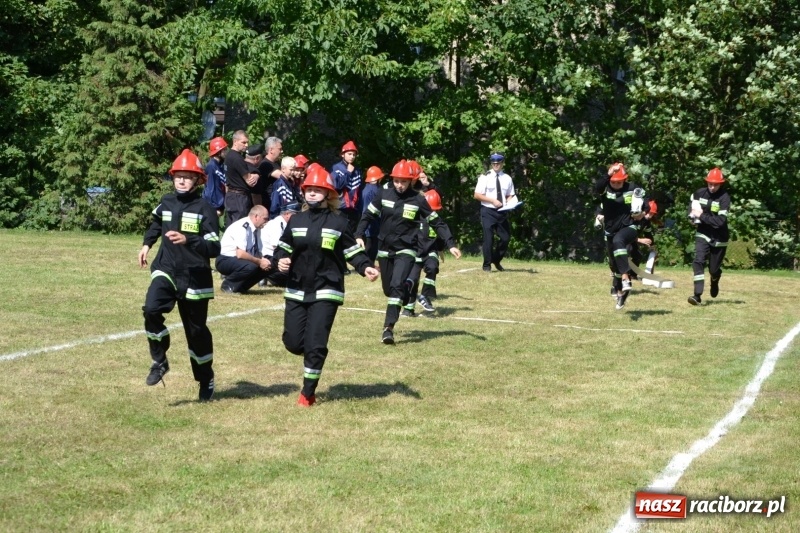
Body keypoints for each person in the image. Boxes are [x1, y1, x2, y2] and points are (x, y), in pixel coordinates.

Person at [273, 166, 379, 406]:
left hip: (327, 289)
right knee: (293, 342)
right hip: (297, 289)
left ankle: (308, 392)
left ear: (328, 193)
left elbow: (352, 251)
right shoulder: (296, 220)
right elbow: (283, 247)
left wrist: (365, 267)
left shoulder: (339, 222)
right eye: (308, 190)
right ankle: (313, 352)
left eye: (317, 190)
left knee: (315, 343)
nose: (311, 194)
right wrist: (280, 259)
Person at [137, 149, 221, 401]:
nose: (182, 181)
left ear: (198, 180)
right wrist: (146, 244)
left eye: (188, 176)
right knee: (151, 309)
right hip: (166, 269)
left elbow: (214, 247)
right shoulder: (166, 202)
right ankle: (159, 360)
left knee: (196, 334)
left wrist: (190, 240)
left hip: (195, 276)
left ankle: (205, 378)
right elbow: (155, 223)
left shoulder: (206, 208)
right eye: (178, 176)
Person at [356, 159, 461, 345]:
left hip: (406, 249)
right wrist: (358, 235)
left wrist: (450, 243)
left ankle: (388, 328)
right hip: (384, 249)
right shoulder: (383, 194)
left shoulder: (419, 199)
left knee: (396, 285)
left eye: (403, 181)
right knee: (389, 290)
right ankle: (407, 290)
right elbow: (368, 215)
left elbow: (437, 222)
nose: (399, 185)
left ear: (411, 181)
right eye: (396, 181)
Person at [595, 162, 650, 310]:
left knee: (620, 241)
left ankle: (626, 279)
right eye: (614, 182)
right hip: (610, 231)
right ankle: (621, 293)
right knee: (614, 264)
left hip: (629, 228)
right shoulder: (605, 189)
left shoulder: (633, 189)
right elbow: (597, 186)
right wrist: (608, 173)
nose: (617, 184)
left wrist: (641, 214)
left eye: (620, 182)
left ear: (625, 180)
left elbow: (646, 206)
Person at [688, 167, 730, 305]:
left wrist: (701, 216)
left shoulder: (724, 198)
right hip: (703, 233)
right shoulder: (699, 193)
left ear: (721, 184)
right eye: (710, 184)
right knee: (698, 261)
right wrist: (692, 216)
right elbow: (692, 207)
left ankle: (715, 279)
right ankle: (697, 295)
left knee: (713, 269)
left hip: (720, 237)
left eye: (715, 184)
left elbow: (720, 222)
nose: (712, 187)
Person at [403, 188, 447, 316]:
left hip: (430, 252)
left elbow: (439, 235)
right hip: (415, 253)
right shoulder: (414, 219)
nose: (433, 213)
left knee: (433, 268)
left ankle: (425, 296)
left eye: (436, 210)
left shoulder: (435, 220)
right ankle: (408, 308)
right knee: (413, 280)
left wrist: (440, 249)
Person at [473, 152, 515, 272]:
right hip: (488, 211)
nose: (496, 165)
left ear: (502, 163)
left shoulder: (507, 178)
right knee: (489, 239)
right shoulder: (484, 177)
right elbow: (477, 195)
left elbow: (510, 194)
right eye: (494, 163)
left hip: (502, 211)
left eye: (498, 163)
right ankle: (487, 265)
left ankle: (496, 259)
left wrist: (510, 202)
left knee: (505, 238)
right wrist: (492, 200)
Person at [215, 205, 272, 294]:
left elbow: (257, 251)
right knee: (251, 266)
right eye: (265, 219)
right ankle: (228, 285)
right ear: (256, 217)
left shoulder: (257, 228)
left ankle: (241, 287)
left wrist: (264, 260)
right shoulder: (242, 226)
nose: (266, 222)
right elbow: (240, 254)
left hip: (239, 260)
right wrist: (260, 262)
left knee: (269, 265)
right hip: (225, 260)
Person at [258, 201, 301, 287]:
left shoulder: (286, 224)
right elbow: (277, 247)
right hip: (269, 258)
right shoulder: (277, 224)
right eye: (297, 214)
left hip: (277, 257)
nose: (299, 217)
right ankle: (268, 276)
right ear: (287, 214)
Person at [224, 130, 258, 227]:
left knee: (230, 227)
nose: (246, 145)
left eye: (247, 142)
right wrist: (256, 175)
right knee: (239, 228)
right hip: (239, 198)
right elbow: (250, 181)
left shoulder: (228, 156)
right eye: (243, 142)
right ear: (235, 141)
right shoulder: (237, 158)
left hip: (231, 196)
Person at [331, 140, 363, 233]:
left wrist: (360, 210)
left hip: (354, 210)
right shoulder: (336, 168)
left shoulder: (357, 170)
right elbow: (337, 186)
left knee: (350, 235)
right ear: (342, 154)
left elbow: (358, 191)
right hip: (340, 208)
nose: (352, 157)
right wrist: (348, 173)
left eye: (354, 154)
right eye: (349, 154)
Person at [361, 165, 384, 262]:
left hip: (368, 218)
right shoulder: (374, 190)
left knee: (371, 241)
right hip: (373, 219)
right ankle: (368, 263)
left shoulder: (366, 188)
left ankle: (369, 262)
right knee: (371, 243)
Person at [202, 136, 228, 218]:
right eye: (224, 150)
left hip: (220, 204)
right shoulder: (211, 166)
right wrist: (215, 206)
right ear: (219, 152)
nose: (226, 152)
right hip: (213, 205)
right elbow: (211, 188)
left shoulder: (221, 165)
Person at [257, 136, 284, 202]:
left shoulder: (277, 162)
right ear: (271, 150)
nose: (282, 151)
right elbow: (283, 176)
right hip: (270, 201)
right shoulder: (265, 164)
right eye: (279, 149)